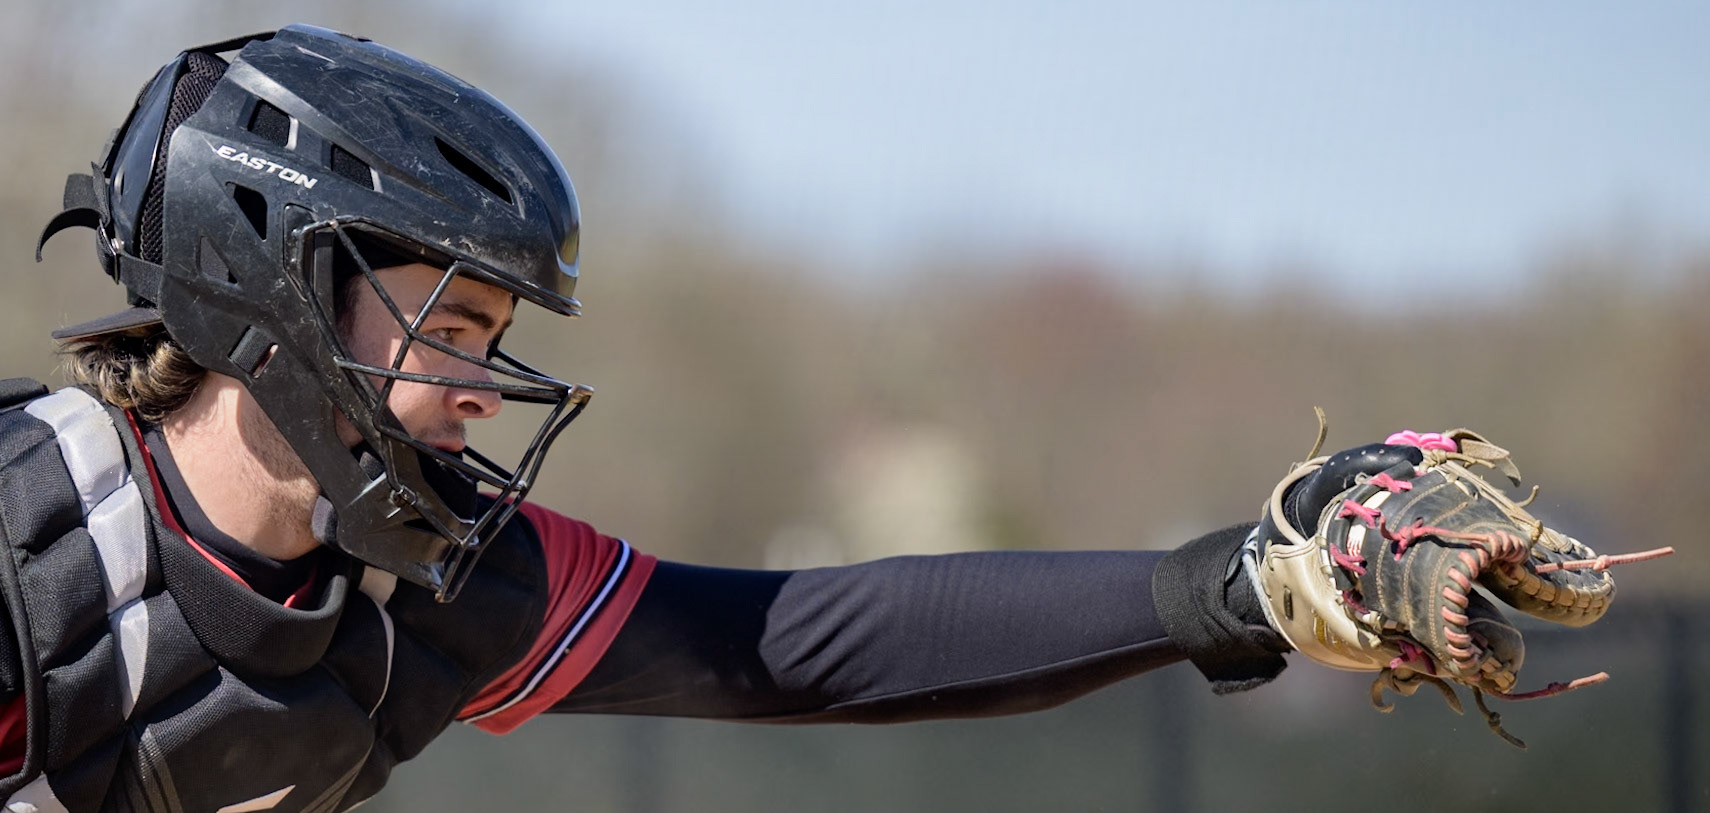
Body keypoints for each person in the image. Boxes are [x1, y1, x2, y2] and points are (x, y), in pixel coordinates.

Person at [0, 25, 1443, 812]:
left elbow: (804, 647)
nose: (475, 387)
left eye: (492, 341)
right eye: (447, 325)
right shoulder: (26, 532)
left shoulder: (438, 589)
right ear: (269, 281)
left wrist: (1230, 586)